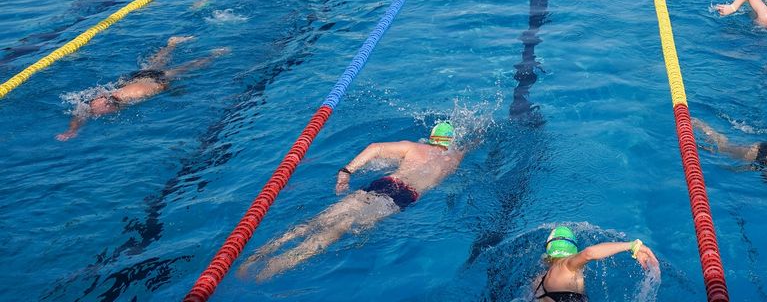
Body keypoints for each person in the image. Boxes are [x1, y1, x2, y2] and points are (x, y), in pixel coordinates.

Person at [240, 122, 466, 280]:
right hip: (402, 196)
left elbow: (375, 148)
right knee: (341, 227)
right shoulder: (453, 159)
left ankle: (259, 254)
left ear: (431, 137)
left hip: (385, 183)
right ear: (450, 142)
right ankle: (274, 268)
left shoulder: (414, 147)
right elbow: (468, 145)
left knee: (322, 219)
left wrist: (346, 171)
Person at [57, 36, 226, 140]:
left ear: (109, 105)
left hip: (153, 80)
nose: (96, 114)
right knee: (156, 63)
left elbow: (160, 86)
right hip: (134, 78)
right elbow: (81, 114)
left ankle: (215, 54)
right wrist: (72, 130)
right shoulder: (100, 99)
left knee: (187, 68)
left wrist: (174, 90)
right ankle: (172, 43)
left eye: (102, 112)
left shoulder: (136, 94)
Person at [534, 226, 659, 301]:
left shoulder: (539, 280)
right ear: (573, 250)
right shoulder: (568, 264)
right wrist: (633, 246)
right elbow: (588, 253)